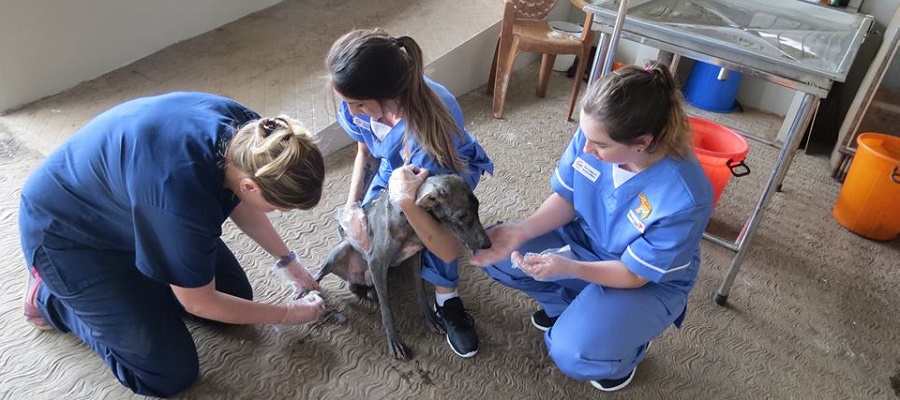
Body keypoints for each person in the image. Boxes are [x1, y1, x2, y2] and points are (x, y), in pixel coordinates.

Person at [19, 92, 328, 397]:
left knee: (236, 297)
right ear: (251, 185)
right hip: (68, 237)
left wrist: (288, 261)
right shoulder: (181, 202)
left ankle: (145, 279)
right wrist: (290, 314)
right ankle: (51, 300)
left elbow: (240, 198)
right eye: (279, 207)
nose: (279, 213)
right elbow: (199, 302)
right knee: (168, 372)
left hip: (133, 211)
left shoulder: (261, 135)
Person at [471, 63, 714, 392]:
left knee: (573, 352)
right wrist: (523, 229)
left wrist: (570, 267)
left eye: (599, 145)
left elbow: (634, 274)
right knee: (498, 251)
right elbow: (568, 198)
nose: (586, 148)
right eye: (586, 136)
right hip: (585, 238)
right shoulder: (595, 133)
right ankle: (571, 308)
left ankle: (625, 353)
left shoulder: (685, 195)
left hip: (644, 280)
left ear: (642, 142)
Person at [325, 28, 494, 358]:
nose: (352, 111)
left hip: (443, 174)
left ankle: (447, 298)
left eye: (357, 104)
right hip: (397, 165)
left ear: (388, 96)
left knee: (430, 235)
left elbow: (441, 239)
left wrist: (404, 202)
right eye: (348, 104)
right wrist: (352, 206)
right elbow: (366, 151)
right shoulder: (361, 105)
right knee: (370, 227)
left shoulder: (430, 134)